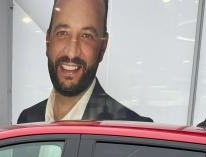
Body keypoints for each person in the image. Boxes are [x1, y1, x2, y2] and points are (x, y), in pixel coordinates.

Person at [17, 0, 152, 124]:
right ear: (48, 41)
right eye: (62, 33)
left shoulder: (131, 130)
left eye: (86, 36)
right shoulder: (27, 119)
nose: (72, 52)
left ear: (102, 48)